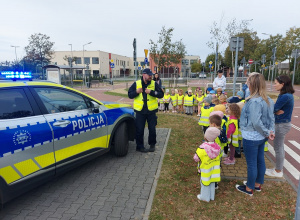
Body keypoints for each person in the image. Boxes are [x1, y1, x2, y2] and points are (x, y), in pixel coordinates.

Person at [235, 73, 275, 196]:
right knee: (259, 160)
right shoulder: (268, 100)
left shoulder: (254, 102)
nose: (246, 84)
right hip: (261, 137)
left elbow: (256, 122)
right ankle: (257, 184)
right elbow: (271, 118)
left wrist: (266, 132)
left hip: (251, 136)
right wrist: (269, 132)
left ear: (252, 85)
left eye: (248, 82)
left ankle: (249, 188)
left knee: (252, 163)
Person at [128, 68, 164, 153]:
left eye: (151, 75)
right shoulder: (136, 83)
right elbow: (130, 95)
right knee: (139, 130)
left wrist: (151, 92)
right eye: (149, 75)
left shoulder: (154, 83)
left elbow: (161, 94)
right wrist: (136, 91)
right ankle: (139, 146)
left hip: (151, 111)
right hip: (140, 111)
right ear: (144, 75)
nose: (151, 76)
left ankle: (152, 144)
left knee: (152, 129)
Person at [265, 75, 294, 178]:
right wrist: (275, 111)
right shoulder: (286, 95)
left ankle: (278, 171)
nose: (274, 85)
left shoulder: (286, 96)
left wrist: (274, 111)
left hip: (282, 124)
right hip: (282, 123)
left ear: (282, 84)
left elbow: (273, 108)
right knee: (279, 147)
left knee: (278, 147)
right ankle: (277, 168)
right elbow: (275, 109)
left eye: (276, 83)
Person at [193, 127, 221, 202]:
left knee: (205, 183)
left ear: (206, 137)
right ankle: (212, 196)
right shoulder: (217, 147)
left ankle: (205, 197)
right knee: (212, 182)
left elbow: (196, 158)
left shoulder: (202, 148)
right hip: (214, 170)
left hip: (205, 170)